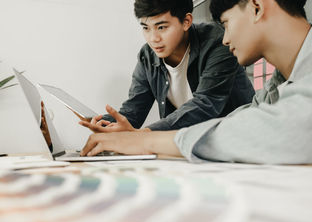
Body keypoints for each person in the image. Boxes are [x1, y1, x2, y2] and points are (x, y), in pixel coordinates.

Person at [81, 0, 312, 164]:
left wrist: (146, 140)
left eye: (227, 23)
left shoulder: (214, 43)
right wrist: (108, 126)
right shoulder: (279, 84)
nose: (226, 38)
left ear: (257, 7)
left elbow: (279, 130)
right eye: (146, 28)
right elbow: (246, 118)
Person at [79, 0, 254, 133]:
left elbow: (206, 103)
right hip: (188, 147)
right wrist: (106, 123)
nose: (153, 38)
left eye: (161, 27)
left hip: (238, 138)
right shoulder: (147, 56)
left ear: (186, 21)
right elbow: (133, 111)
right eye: (146, 28)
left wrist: (145, 135)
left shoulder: (217, 42)